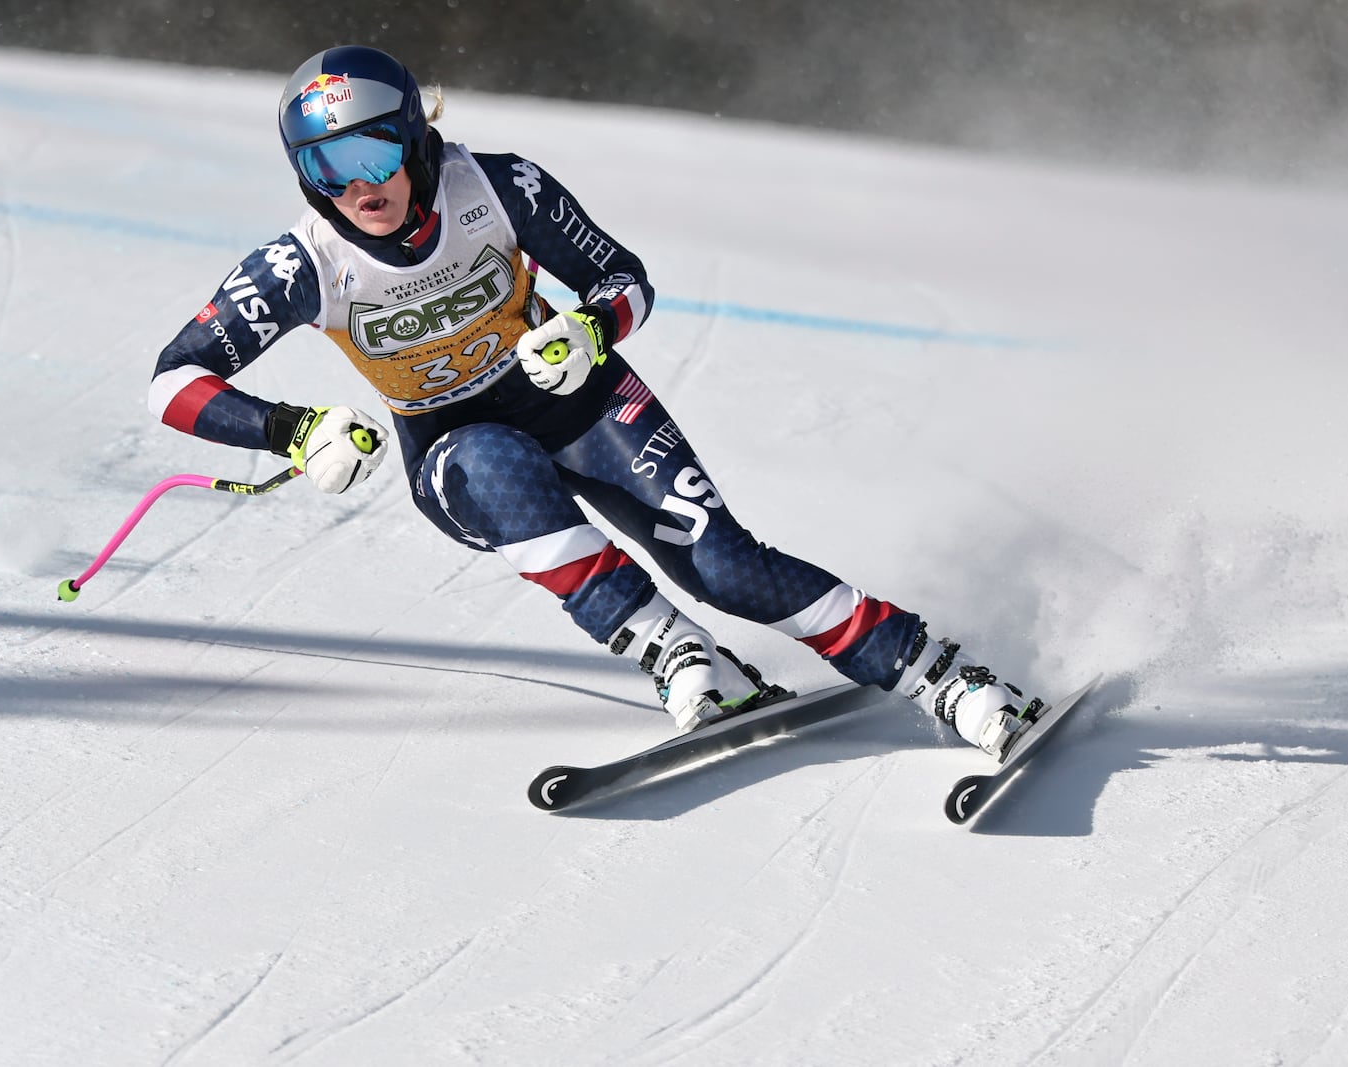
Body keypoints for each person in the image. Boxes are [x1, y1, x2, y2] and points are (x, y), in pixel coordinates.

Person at [148, 45, 1042, 757]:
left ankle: (941, 674)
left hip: (580, 399)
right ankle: (677, 652)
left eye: (375, 148)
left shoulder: (494, 187)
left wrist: (590, 329)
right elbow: (174, 380)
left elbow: (628, 279)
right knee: (492, 463)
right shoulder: (306, 261)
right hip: (457, 449)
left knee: (724, 567)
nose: (358, 185)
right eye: (325, 164)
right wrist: (291, 430)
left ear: (416, 137)